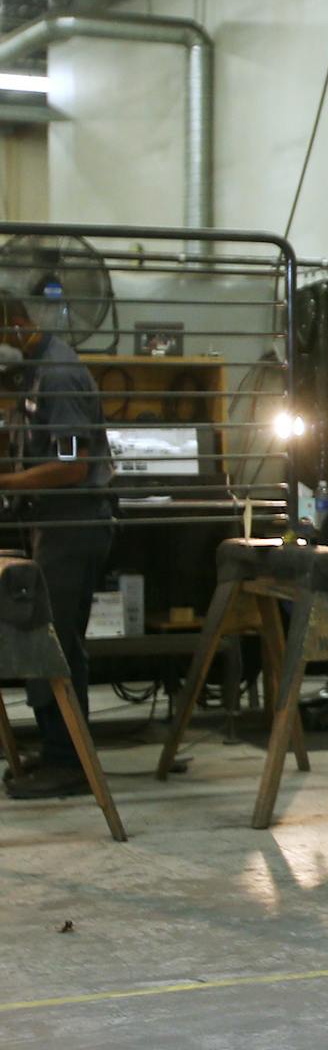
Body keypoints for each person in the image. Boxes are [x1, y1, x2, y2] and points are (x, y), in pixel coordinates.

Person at [0, 290, 115, 800]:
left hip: (73, 524)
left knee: (53, 643)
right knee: (53, 638)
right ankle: (59, 748)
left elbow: (73, 466)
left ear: (17, 322)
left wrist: (5, 483)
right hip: (52, 523)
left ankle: (67, 763)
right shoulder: (37, 370)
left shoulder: (62, 375)